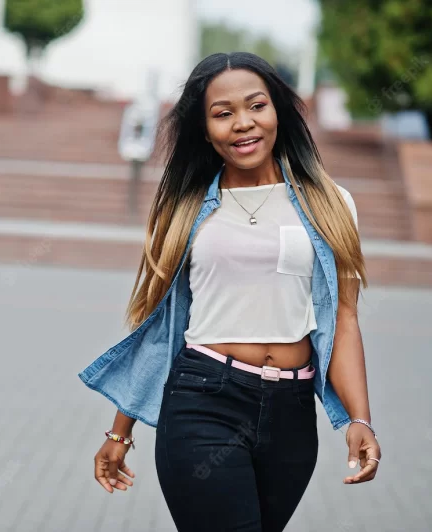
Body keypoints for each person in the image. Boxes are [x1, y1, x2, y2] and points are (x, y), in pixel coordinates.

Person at [78, 52, 381, 532]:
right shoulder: (184, 208)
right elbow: (159, 326)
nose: (244, 123)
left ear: (279, 110)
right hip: (203, 399)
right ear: (204, 129)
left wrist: (359, 420)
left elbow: (344, 319)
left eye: (256, 106)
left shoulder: (332, 203)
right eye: (223, 114)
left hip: (292, 414)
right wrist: (121, 430)